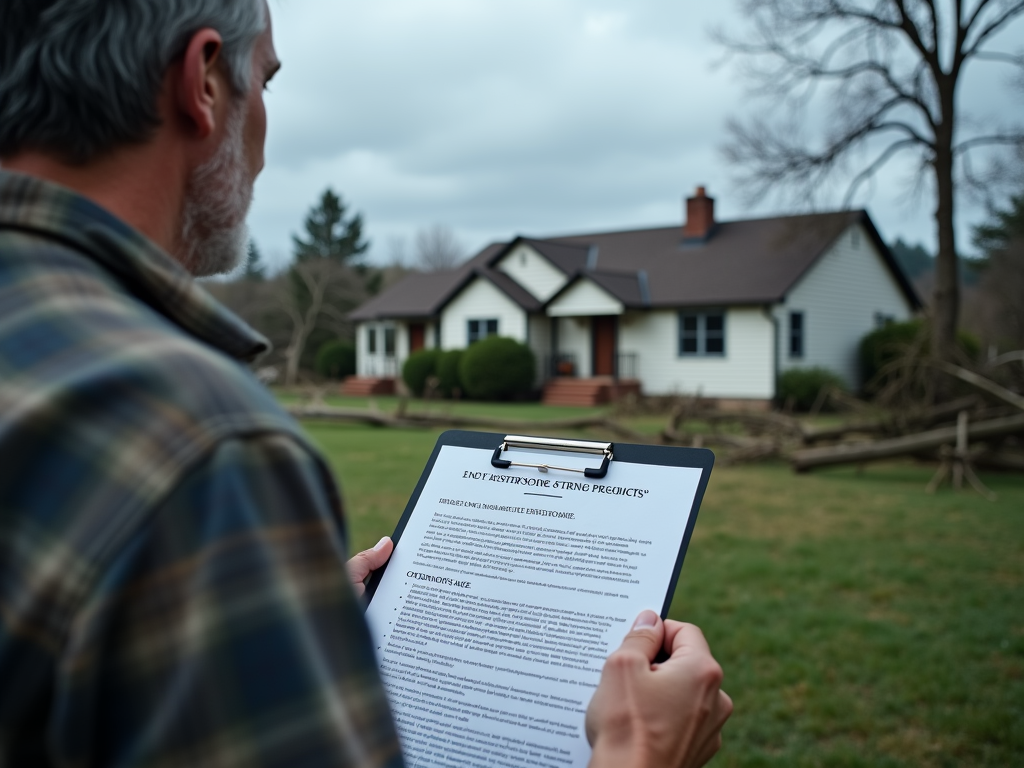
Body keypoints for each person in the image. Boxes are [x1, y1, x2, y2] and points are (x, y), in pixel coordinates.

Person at [0, 1, 732, 766]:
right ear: (205, 82)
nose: (263, 142)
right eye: (267, 83)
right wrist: (640, 751)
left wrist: (277, 618)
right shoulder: (203, 446)